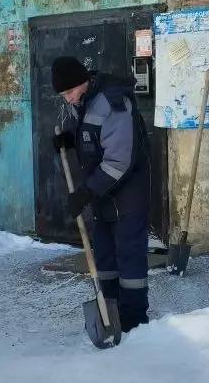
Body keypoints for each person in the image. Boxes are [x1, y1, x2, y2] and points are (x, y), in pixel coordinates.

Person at [51, 56, 151, 332]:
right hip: (103, 196)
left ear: (83, 81)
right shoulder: (86, 101)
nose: (69, 99)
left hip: (128, 196)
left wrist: (86, 192)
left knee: (129, 259)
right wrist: (70, 139)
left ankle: (134, 319)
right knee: (105, 257)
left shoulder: (113, 103)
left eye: (70, 91)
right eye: (64, 95)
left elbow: (118, 161)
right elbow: (92, 136)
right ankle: (110, 310)